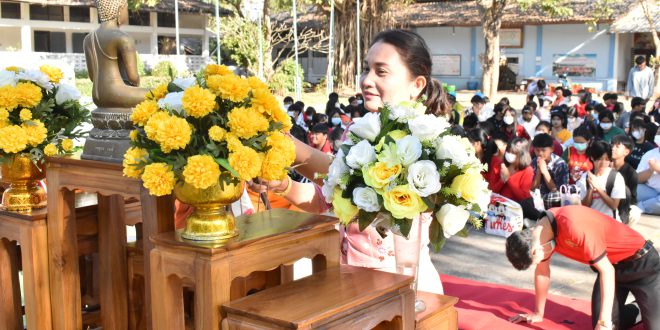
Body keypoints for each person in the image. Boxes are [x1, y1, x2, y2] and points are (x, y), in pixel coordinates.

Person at [265, 29, 450, 294]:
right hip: (348, 278)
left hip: (399, 285)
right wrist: (283, 184)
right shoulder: (358, 131)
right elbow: (328, 199)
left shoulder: (426, 143)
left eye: (381, 71)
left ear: (416, 84)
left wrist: (291, 148)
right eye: (366, 69)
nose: (367, 80)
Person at [506, 205, 659, 330]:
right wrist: (538, 313)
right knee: (604, 326)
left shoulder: (573, 226)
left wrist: (604, 320)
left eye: (535, 261)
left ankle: (650, 304)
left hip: (642, 266)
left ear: (535, 250)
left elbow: (607, 271)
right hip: (612, 267)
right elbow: (542, 272)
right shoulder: (540, 236)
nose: (539, 263)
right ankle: (639, 306)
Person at [83, 0, 149, 108]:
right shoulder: (122, 37)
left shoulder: (88, 39)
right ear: (120, 10)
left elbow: (92, 77)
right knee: (160, 94)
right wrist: (135, 85)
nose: (127, 14)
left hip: (97, 97)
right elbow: (133, 77)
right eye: (126, 9)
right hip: (117, 94)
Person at [491, 138, 540, 220]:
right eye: (508, 152)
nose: (509, 154)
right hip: (502, 203)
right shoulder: (501, 166)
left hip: (518, 204)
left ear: (521, 155)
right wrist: (502, 181)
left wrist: (508, 179)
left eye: (513, 153)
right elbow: (493, 190)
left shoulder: (527, 170)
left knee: (526, 205)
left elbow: (522, 196)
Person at [577, 141, 626, 220]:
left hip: (610, 221)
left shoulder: (616, 177)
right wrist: (591, 188)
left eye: (607, 159)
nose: (603, 163)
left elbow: (614, 205)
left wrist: (598, 188)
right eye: (599, 159)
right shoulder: (585, 177)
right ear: (592, 158)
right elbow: (584, 206)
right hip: (590, 220)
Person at [531, 133, 569, 208]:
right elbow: (532, 189)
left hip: (554, 202)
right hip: (538, 201)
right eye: (537, 150)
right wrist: (539, 171)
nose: (540, 153)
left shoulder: (560, 164)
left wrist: (545, 172)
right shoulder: (534, 161)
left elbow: (558, 192)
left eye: (543, 150)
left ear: (552, 149)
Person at [612, 135, 639, 221]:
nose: (613, 148)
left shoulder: (631, 173)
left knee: (635, 212)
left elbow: (631, 198)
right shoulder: (603, 165)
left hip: (622, 207)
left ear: (626, 152)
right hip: (604, 203)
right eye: (612, 145)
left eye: (617, 146)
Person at [636, 130, 660, 215]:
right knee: (630, 189)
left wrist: (657, 168)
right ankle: (651, 205)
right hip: (650, 190)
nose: (659, 135)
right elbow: (638, 178)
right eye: (658, 133)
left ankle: (640, 207)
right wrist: (650, 170)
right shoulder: (650, 154)